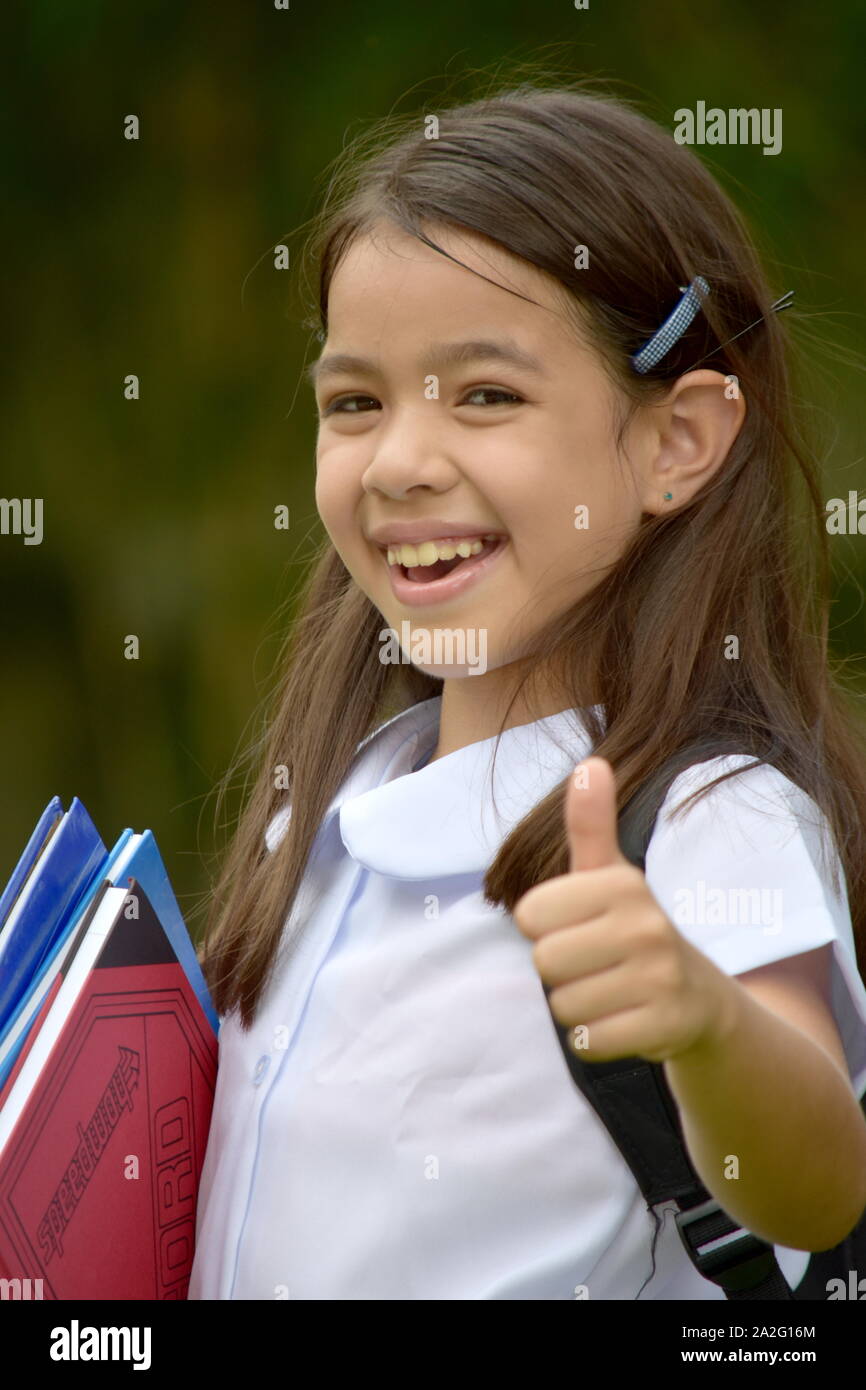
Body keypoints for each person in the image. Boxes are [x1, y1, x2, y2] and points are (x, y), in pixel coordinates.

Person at [188, 79, 866, 1300]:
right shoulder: (336, 799)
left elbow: (817, 1184)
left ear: (676, 441)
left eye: (486, 394)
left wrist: (703, 1020)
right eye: (354, 403)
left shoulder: (707, 814)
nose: (397, 461)